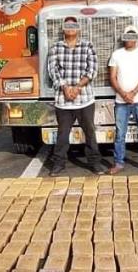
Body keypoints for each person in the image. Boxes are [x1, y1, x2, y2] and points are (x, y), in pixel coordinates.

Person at [47, 16, 105, 176]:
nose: (71, 28)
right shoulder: (55, 48)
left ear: (78, 28)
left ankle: (95, 163)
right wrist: (65, 87)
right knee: (63, 134)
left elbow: (92, 69)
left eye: (74, 25)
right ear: (63, 29)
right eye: (68, 25)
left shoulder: (88, 46)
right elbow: (53, 70)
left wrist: (78, 87)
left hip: (85, 99)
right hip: (62, 101)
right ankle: (58, 164)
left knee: (90, 133)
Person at [107, 25, 138, 175]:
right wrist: (123, 94)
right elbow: (112, 77)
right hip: (121, 101)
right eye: (127, 35)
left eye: (132, 35)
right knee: (120, 133)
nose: (129, 38)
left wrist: (133, 93)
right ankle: (118, 163)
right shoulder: (116, 54)